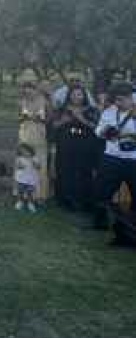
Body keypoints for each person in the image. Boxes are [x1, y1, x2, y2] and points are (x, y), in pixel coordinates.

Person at [93, 83, 136, 231]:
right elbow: (98, 130)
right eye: (117, 100)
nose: (119, 103)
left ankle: (130, 227)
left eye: (122, 100)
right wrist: (107, 132)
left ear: (131, 98)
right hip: (111, 158)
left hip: (133, 160)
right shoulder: (109, 111)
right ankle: (100, 223)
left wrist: (130, 135)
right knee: (102, 192)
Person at [51, 86, 99, 212]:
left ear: (84, 96)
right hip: (66, 144)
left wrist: (81, 118)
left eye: (79, 94)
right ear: (69, 95)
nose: (76, 97)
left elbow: (96, 127)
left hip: (85, 145)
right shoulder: (62, 109)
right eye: (73, 94)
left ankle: (85, 200)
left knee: (84, 171)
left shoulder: (91, 110)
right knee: (65, 170)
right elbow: (53, 126)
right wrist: (63, 121)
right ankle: (65, 200)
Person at [17, 72, 51, 203]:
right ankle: (23, 193)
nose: (28, 92)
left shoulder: (44, 102)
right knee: (24, 162)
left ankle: (40, 194)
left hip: (39, 134)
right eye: (25, 90)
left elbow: (49, 119)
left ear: (35, 89)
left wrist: (40, 119)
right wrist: (22, 118)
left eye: (31, 89)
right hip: (24, 134)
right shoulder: (22, 102)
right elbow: (18, 118)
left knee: (39, 163)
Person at [14, 143, 40, 212]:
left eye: (26, 151)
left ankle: (30, 203)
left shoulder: (35, 158)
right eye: (22, 151)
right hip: (21, 178)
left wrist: (34, 163)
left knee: (30, 192)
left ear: (30, 151)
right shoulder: (19, 159)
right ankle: (20, 202)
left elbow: (38, 167)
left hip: (31, 179)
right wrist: (20, 166)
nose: (25, 153)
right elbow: (17, 167)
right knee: (20, 191)